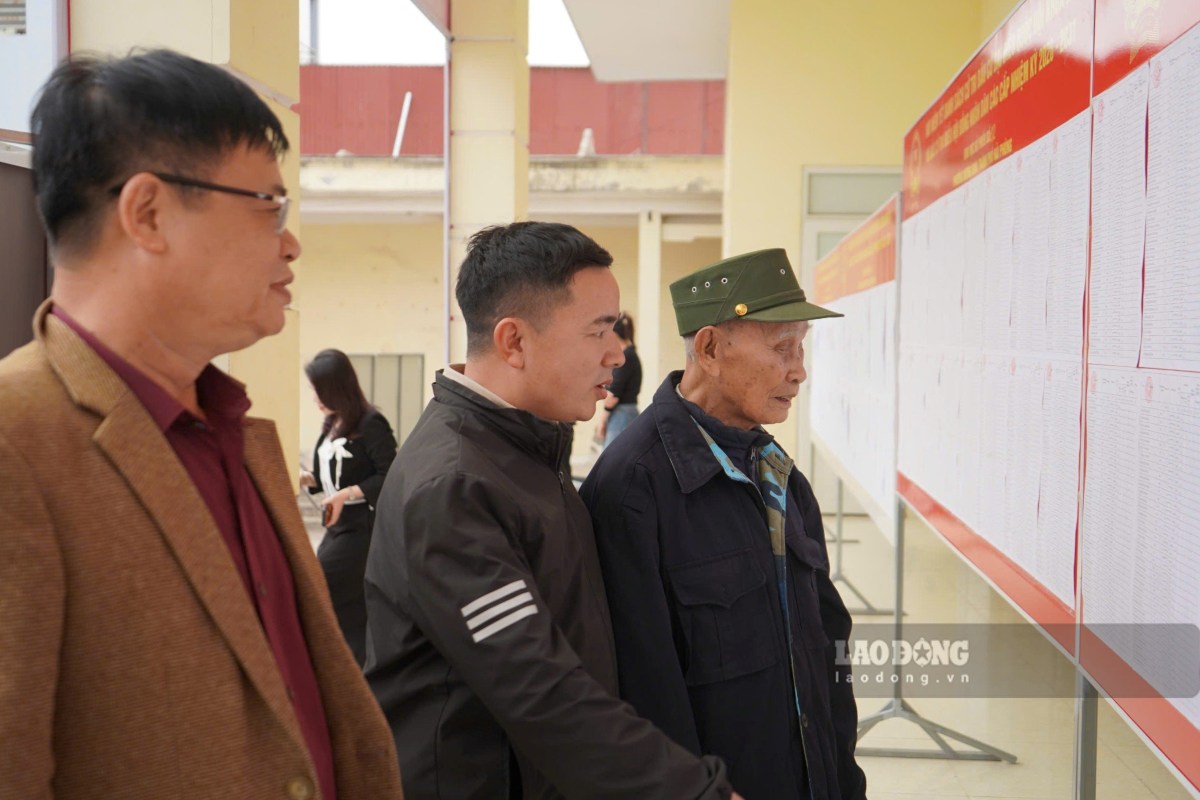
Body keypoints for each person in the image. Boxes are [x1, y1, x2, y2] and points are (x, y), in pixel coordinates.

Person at [0, 50, 402, 800]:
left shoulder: (236, 434)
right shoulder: (18, 443)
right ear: (147, 213)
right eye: (267, 205)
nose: (290, 242)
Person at [364, 221, 738, 799]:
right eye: (599, 332)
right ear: (514, 341)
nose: (618, 352)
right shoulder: (455, 486)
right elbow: (538, 689)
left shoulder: (526, 445)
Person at [580, 248, 868, 800]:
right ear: (710, 348)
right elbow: (642, 696)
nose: (799, 369)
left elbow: (827, 649)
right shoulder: (633, 489)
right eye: (783, 347)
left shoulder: (779, 475)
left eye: (801, 348)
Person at [301, 348, 398, 666]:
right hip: (337, 527)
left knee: (326, 593)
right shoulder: (331, 422)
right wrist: (308, 479)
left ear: (337, 388)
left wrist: (347, 494)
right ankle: (353, 672)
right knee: (347, 608)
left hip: (361, 529)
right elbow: (333, 477)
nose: (315, 398)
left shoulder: (371, 423)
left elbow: (390, 476)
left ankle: (350, 671)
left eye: (319, 391)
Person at [595, 311, 641, 448]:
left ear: (614, 334)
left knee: (612, 462)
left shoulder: (626, 357)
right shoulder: (630, 354)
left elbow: (613, 396)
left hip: (622, 415)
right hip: (625, 414)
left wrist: (602, 421)